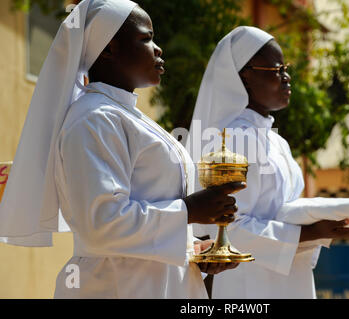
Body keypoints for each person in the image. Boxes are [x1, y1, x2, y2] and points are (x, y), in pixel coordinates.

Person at [0, 0, 240, 299]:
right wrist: (190, 211)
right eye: (146, 38)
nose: (158, 49)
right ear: (110, 48)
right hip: (116, 287)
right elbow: (103, 224)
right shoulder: (94, 120)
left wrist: (192, 249)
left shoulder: (126, 117)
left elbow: (148, 213)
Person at [186, 26, 349, 299]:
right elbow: (228, 229)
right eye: (276, 70)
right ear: (245, 77)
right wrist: (309, 232)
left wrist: (332, 219)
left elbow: (285, 210)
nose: (287, 78)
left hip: (290, 274)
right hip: (248, 282)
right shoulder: (232, 140)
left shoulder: (276, 141)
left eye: (286, 68)